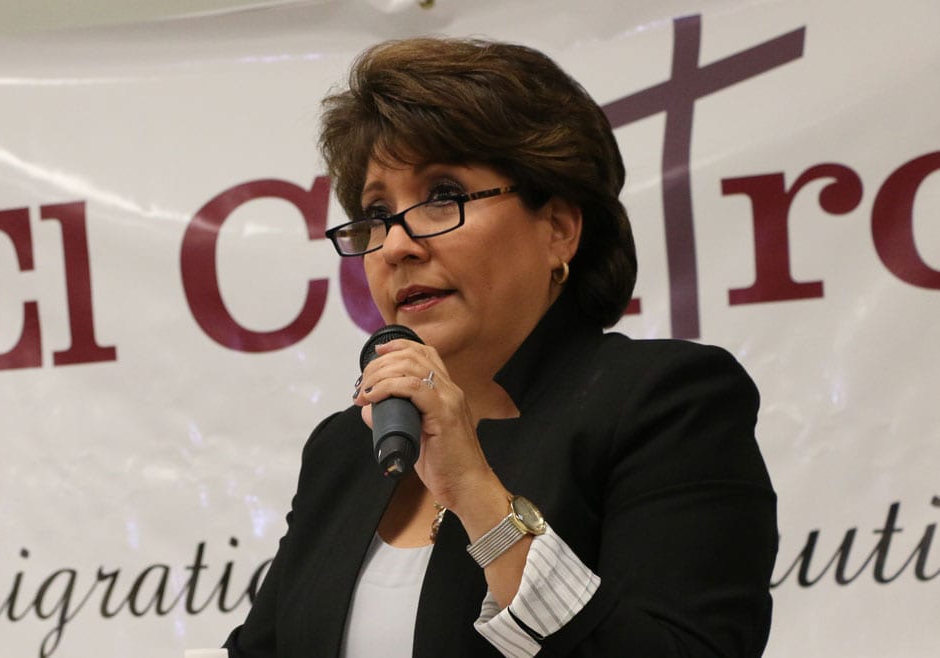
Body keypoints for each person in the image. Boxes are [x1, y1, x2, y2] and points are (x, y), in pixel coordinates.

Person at [224, 36, 777, 657]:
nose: (397, 245)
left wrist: (474, 492)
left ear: (558, 230)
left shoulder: (666, 405)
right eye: (377, 213)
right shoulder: (345, 448)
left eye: (443, 197)